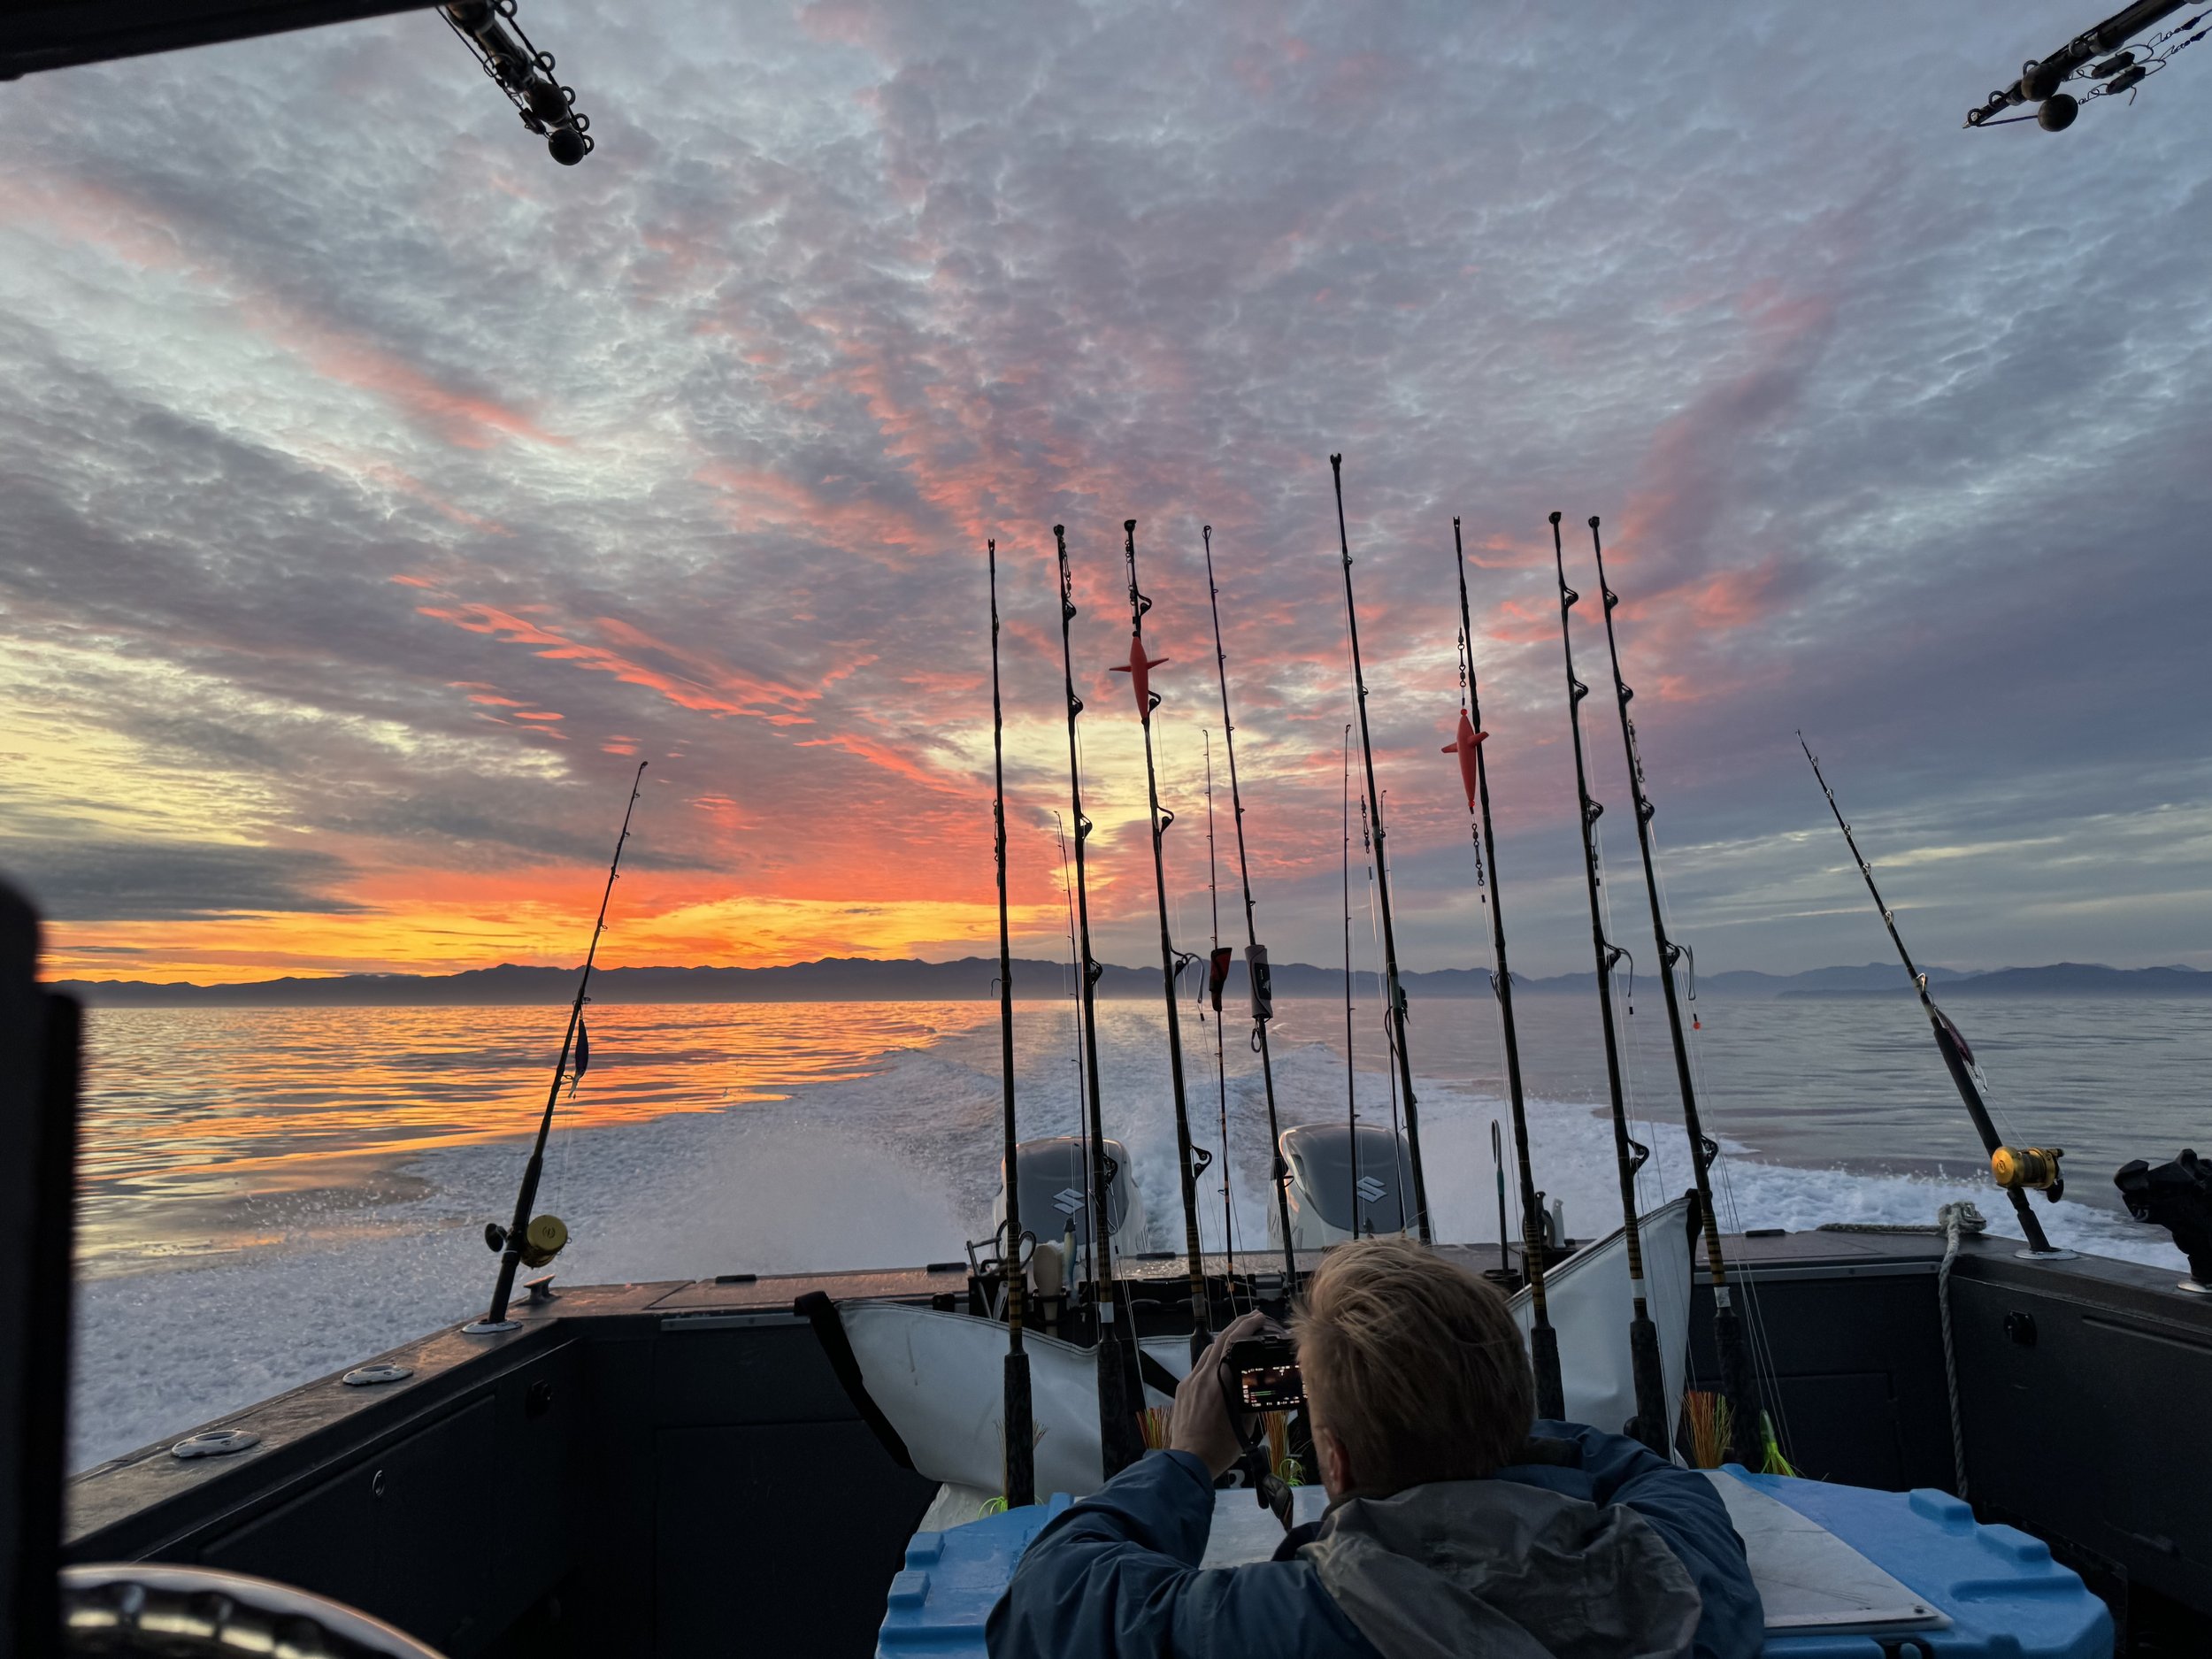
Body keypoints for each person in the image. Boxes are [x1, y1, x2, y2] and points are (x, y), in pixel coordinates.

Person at [987, 1238, 1762, 1659]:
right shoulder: (1676, 1580)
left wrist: (1188, 1456)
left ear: (1338, 1463)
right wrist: (1472, 1413)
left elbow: (1044, 1601)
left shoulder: (1291, 1622)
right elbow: (1658, 1481)